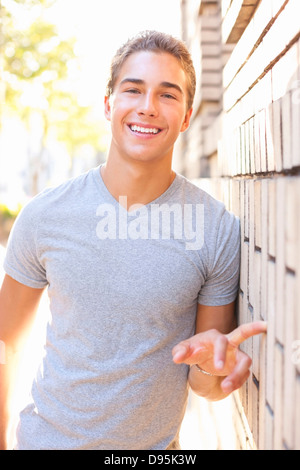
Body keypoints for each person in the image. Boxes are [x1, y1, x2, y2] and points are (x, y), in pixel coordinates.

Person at [0, 30, 267, 451]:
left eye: (167, 94)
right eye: (133, 90)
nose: (147, 107)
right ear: (109, 105)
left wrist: (213, 369)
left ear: (186, 116)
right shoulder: (44, 216)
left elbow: (206, 384)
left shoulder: (215, 229)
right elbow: (6, 344)